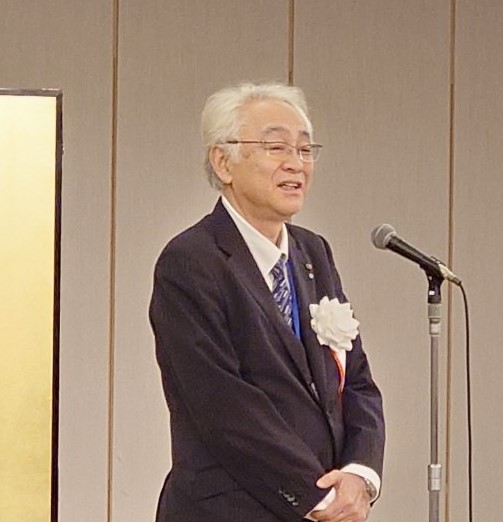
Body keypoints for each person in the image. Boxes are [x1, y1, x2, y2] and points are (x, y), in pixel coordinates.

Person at [149, 82, 385, 522]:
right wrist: (318, 498)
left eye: (305, 149)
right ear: (223, 162)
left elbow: (355, 379)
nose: (296, 163)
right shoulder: (191, 262)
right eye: (276, 147)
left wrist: (359, 473)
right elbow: (225, 407)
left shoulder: (313, 253)